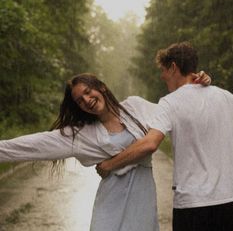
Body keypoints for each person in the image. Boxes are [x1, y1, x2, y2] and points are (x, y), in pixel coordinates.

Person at [0, 72, 210, 231]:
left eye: (87, 92)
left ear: (100, 87)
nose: (86, 100)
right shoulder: (81, 134)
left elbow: (175, 111)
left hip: (142, 198)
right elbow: (34, 144)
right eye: (80, 101)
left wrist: (193, 86)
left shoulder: (136, 107)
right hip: (110, 202)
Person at [96, 42, 233, 231]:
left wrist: (109, 165)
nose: (162, 76)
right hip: (230, 200)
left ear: (173, 67)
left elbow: (149, 144)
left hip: (192, 205)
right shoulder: (228, 97)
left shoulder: (170, 102)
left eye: (163, 70)